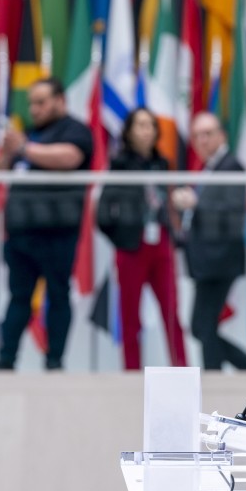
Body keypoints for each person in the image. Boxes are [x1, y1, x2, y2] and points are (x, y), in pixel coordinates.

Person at [0, 79, 93, 371]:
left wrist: (26, 148)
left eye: (41, 102)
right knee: (18, 298)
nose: (34, 109)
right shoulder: (28, 134)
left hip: (57, 231)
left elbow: (69, 158)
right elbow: (2, 171)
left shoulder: (74, 129)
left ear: (60, 100)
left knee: (58, 296)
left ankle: (54, 361)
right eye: (31, 103)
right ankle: (5, 361)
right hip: (21, 232)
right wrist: (9, 151)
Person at [97, 108, 187, 370]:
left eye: (150, 125)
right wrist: (121, 238)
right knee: (130, 315)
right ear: (129, 131)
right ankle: (132, 372)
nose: (146, 131)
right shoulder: (120, 164)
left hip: (160, 244)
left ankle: (182, 370)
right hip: (132, 247)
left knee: (171, 312)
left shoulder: (163, 163)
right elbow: (102, 212)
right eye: (140, 125)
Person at [172, 112, 246, 371]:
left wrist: (196, 203)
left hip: (220, 259)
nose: (202, 140)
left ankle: (223, 374)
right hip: (206, 260)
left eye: (208, 134)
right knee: (202, 326)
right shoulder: (209, 168)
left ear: (222, 135)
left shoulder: (231, 166)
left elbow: (233, 208)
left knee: (203, 325)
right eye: (197, 135)